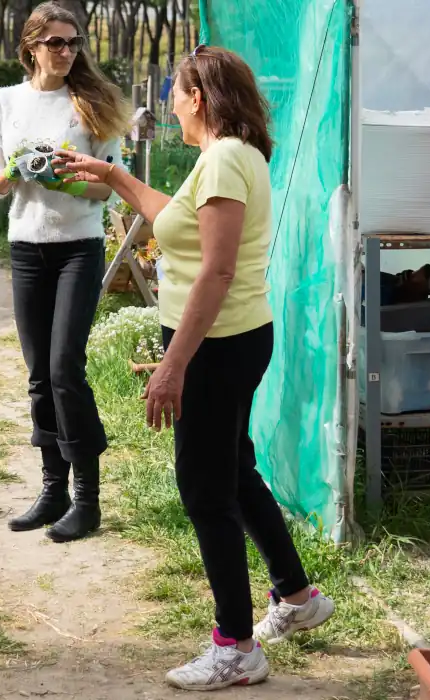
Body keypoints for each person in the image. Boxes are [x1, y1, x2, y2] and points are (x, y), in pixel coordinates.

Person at [55, 45, 336, 691]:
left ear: (199, 98)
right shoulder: (224, 159)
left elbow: (216, 269)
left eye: (176, 93)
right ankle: (296, 597)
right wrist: (116, 177)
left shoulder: (225, 160)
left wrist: (172, 366)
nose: (169, 104)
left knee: (205, 493)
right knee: (233, 474)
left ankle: (236, 647)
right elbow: (177, 226)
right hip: (229, 340)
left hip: (214, 347)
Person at [0, 1, 128, 542]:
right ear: (31, 47)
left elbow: (110, 186)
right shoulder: (6, 101)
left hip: (77, 248)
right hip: (26, 248)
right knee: (39, 374)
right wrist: (17, 173)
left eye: (73, 42)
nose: (66, 52)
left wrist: (64, 179)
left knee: (66, 369)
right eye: (55, 43)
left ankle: (88, 498)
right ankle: (52, 489)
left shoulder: (91, 103)